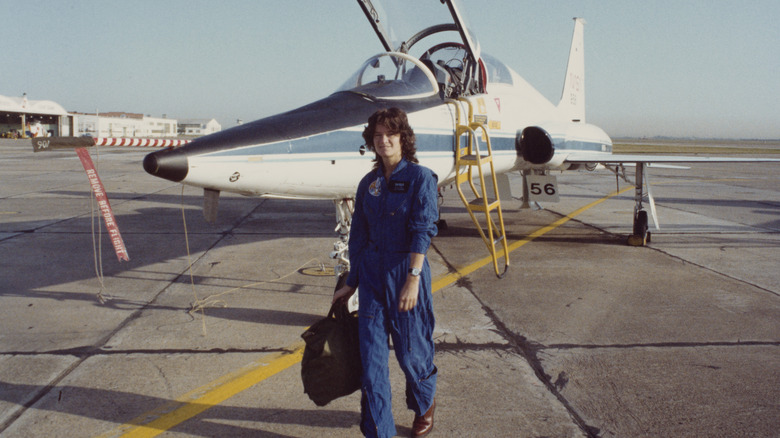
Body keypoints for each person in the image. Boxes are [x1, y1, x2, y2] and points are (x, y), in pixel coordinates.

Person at [333, 107, 439, 437]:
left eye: (390, 134)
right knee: (373, 365)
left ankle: (424, 403)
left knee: (411, 355)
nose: (383, 140)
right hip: (372, 280)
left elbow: (423, 230)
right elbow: (359, 236)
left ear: (402, 138)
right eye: (377, 135)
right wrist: (351, 283)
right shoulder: (370, 183)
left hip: (406, 273)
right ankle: (381, 431)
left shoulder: (421, 178)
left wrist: (413, 280)